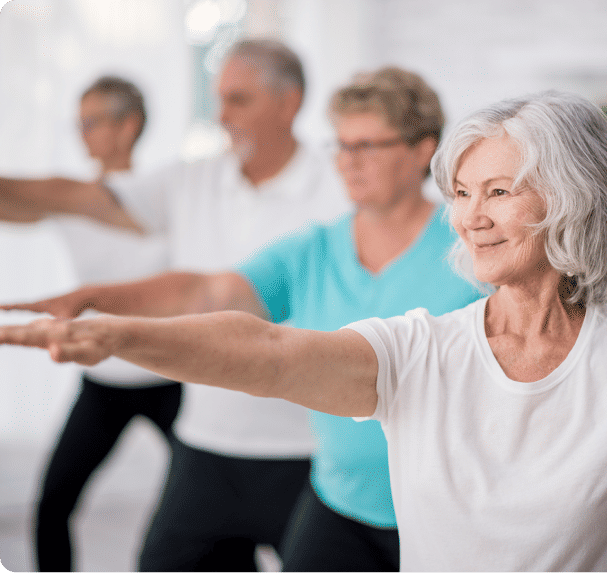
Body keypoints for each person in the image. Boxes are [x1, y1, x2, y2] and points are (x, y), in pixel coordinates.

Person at [2, 90, 607, 572]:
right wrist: (118, 332)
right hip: (332, 506)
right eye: (462, 193)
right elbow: (266, 351)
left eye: (499, 190)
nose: (470, 215)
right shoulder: (419, 348)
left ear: (573, 200)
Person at [2, 66, 483, 572]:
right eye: (341, 147)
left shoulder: (470, 250)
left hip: (443, 509)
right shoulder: (315, 248)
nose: (349, 163)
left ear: (422, 150)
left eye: (367, 146)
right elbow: (210, 289)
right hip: (340, 502)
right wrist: (94, 300)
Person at [2, 39, 349, 571]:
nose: (221, 116)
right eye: (219, 99)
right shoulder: (193, 178)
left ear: (289, 102)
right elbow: (79, 198)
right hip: (205, 447)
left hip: (305, 453)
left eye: (238, 100)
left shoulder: (340, 186)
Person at [0, 75, 179, 572]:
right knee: (53, 504)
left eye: (92, 121)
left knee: (212, 508)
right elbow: (15, 202)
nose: (82, 133)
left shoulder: (162, 194)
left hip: (171, 378)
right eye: (78, 122)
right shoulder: (69, 199)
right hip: (104, 379)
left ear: (129, 126)